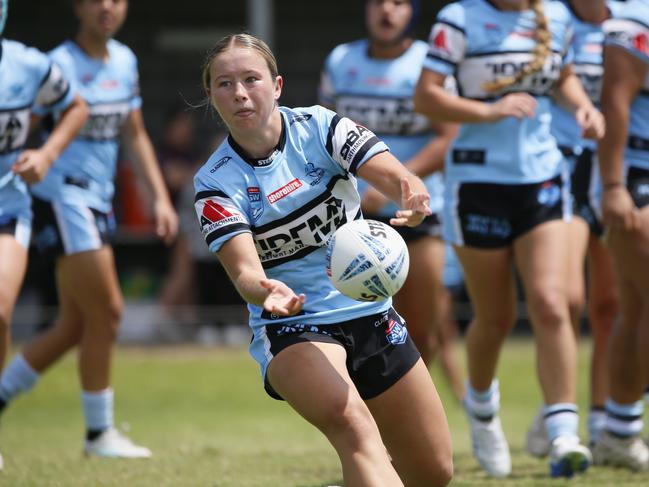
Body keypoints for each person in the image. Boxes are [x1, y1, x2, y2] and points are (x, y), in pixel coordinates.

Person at [194, 33, 453, 486]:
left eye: (250, 79)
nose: (239, 93)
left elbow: (392, 174)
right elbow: (244, 272)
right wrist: (267, 291)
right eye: (225, 84)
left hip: (370, 312)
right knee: (352, 422)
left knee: (432, 473)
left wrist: (410, 191)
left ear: (276, 86)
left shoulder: (321, 127)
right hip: (293, 327)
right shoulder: (214, 183)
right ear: (211, 96)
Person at [414, 0, 605, 478]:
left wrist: (582, 106)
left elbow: (561, 75)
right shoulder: (459, 19)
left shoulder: (556, 17)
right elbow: (427, 97)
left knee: (550, 300)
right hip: (477, 183)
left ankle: (563, 433)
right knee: (495, 317)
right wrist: (490, 110)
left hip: (542, 176)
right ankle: (481, 410)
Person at [0, 0, 177, 459]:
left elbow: (134, 132)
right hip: (62, 200)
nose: (107, 7)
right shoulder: (55, 64)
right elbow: (26, 127)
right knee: (110, 312)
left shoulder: (125, 60)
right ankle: (99, 434)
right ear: (77, 7)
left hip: (99, 203)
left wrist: (158, 194)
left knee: (76, 324)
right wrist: (42, 160)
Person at [318, 0, 461, 374]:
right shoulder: (340, 60)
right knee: (348, 329)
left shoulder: (429, 64)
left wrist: (394, 186)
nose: (387, 11)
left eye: (398, 3)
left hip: (418, 214)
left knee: (419, 334)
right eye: (378, 2)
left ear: (411, 11)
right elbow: (322, 135)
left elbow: (449, 138)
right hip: (351, 217)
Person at [525, 0, 624, 457]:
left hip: (618, 169)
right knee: (565, 299)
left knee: (611, 305)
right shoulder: (549, 17)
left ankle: (608, 423)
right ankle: (556, 412)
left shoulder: (632, 18)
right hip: (559, 169)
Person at [0, 0, 88, 469]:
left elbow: (75, 105)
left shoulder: (29, 64)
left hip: (8, 210)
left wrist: (47, 154)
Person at [591, 0, 649, 471]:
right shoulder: (634, 19)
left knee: (638, 307)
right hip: (636, 173)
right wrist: (612, 185)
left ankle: (619, 431)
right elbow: (615, 100)